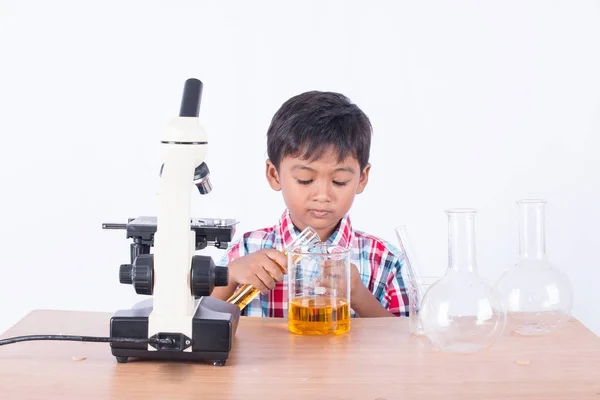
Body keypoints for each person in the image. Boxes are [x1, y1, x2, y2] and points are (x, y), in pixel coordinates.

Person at [211, 90, 410, 318]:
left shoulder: (384, 260)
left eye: (339, 181)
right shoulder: (246, 250)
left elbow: (408, 343)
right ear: (274, 175)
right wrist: (230, 276)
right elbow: (196, 327)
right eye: (305, 179)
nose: (322, 195)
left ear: (362, 178)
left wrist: (359, 297)